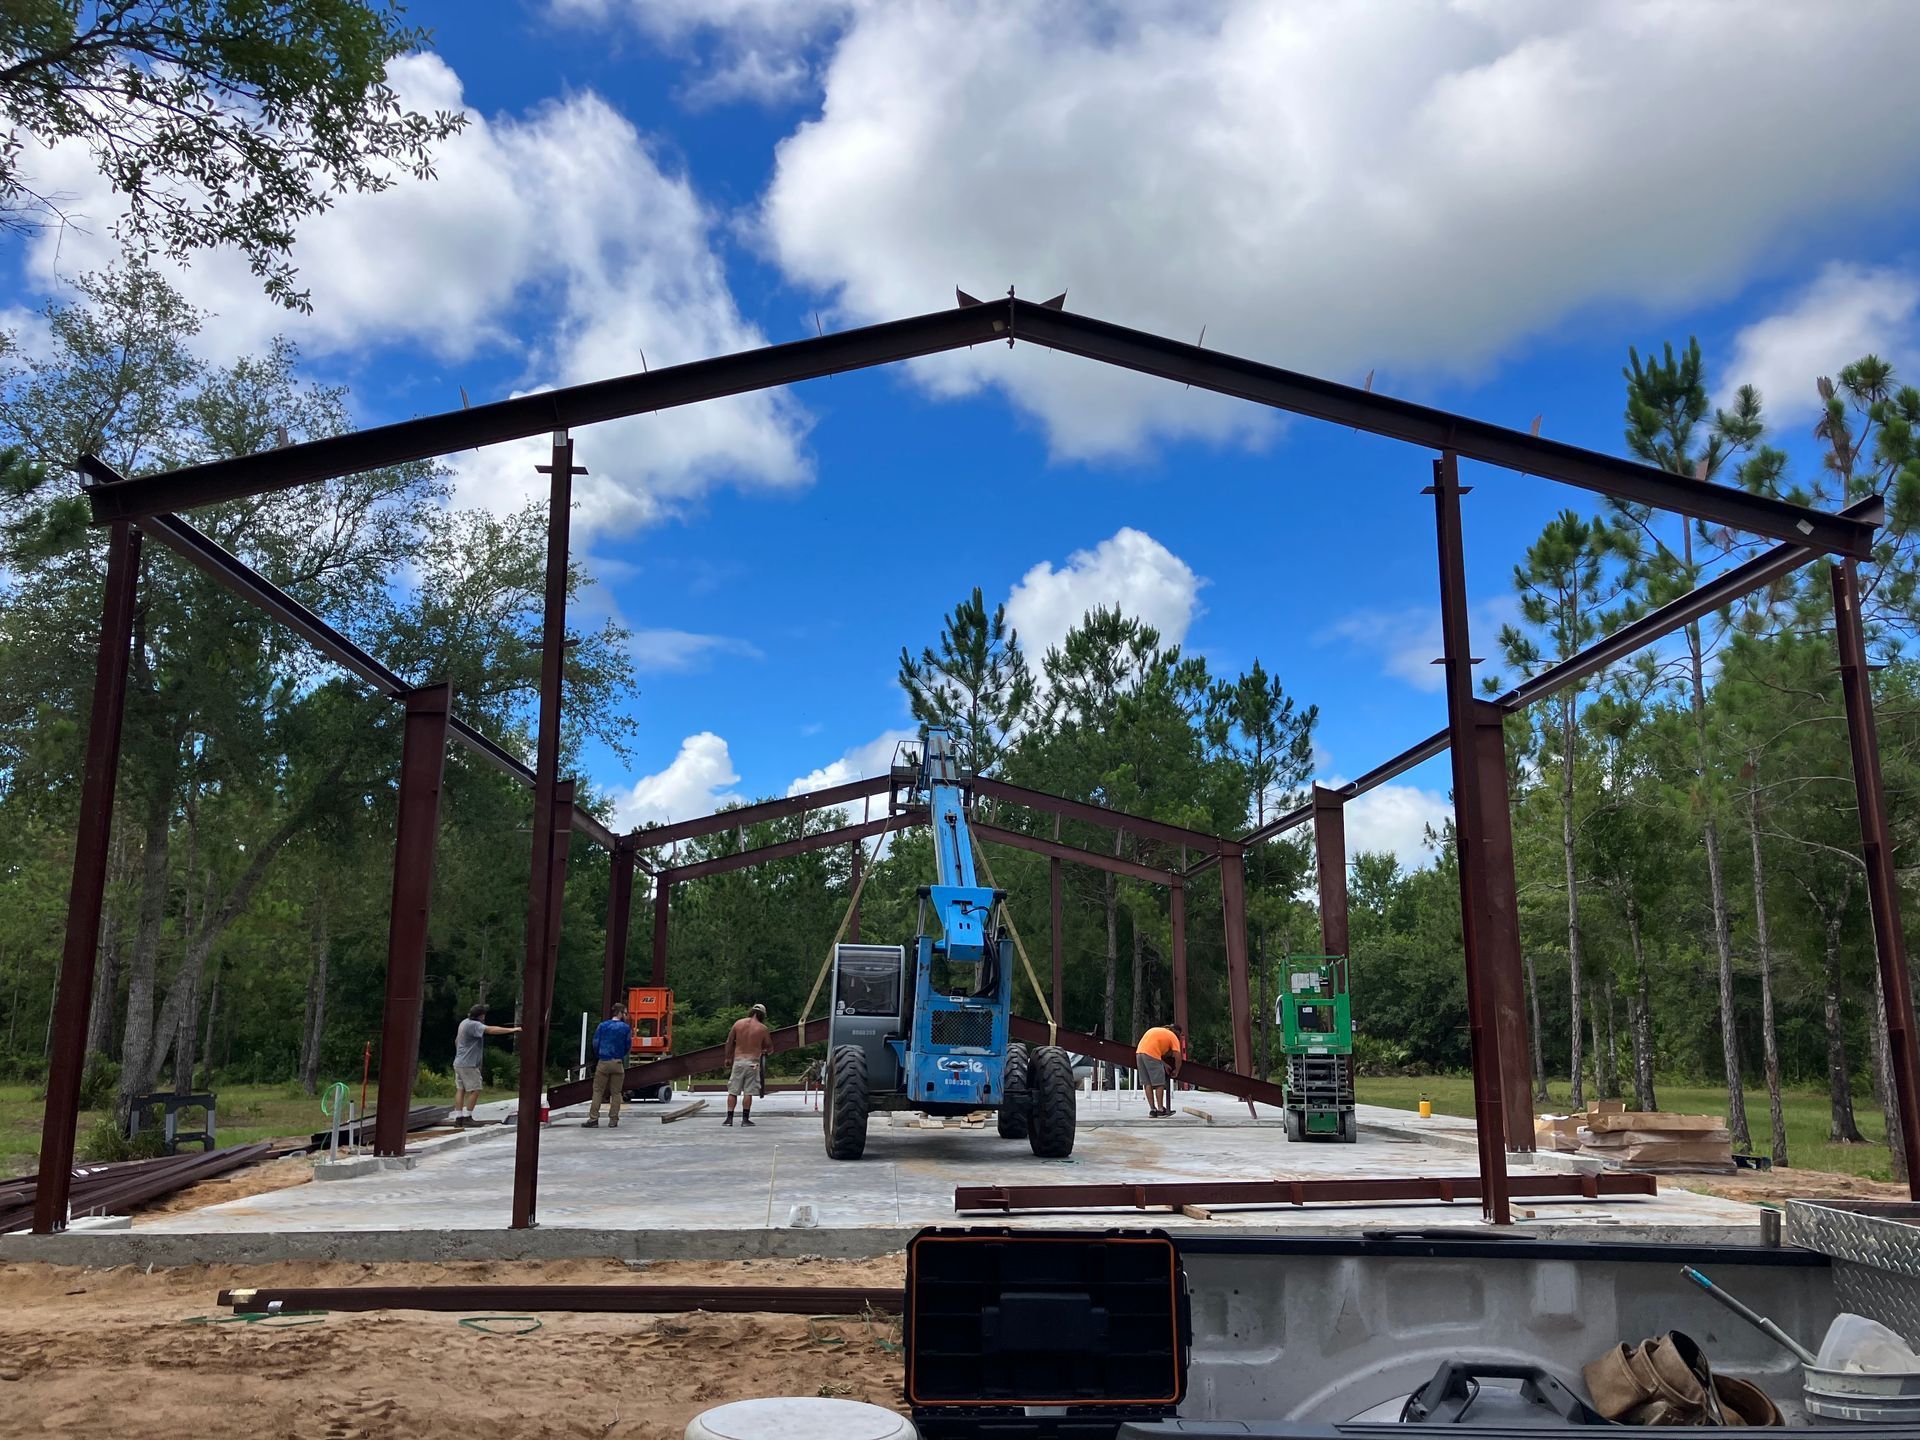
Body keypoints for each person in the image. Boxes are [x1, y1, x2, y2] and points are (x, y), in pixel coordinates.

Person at [453, 1004, 521, 1126]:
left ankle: (458, 1118)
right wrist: (513, 1030)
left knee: (461, 1089)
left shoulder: (464, 1023)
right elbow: (491, 1030)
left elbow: (457, 1041)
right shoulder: (474, 1025)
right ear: (481, 1015)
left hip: (459, 1062)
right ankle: (468, 1117)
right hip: (469, 1064)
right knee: (476, 1089)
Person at [583, 1002, 634, 1129]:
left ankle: (593, 1119)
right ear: (621, 1013)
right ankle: (613, 1120)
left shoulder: (603, 1026)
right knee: (616, 1093)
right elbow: (628, 1045)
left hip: (603, 1062)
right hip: (617, 1062)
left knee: (598, 1091)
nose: (625, 1016)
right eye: (625, 1013)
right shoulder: (625, 1028)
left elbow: (595, 1043)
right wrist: (621, 1054)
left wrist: (600, 1054)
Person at [723, 1002, 772, 1127]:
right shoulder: (762, 1029)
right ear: (762, 1015)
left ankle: (729, 1119)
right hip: (752, 1063)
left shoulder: (738, 1024)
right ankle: (745, 1120)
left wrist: (728, 1057)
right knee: (748, 1092)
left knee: (733, 1091)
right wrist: (764, 1050)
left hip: (738, 1061)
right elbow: (769, 1047)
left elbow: (729, 1042)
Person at [1135, 1023, 1184, 1118]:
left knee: (1147, 1083)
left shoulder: (1157, 1030)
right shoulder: (1173, 1036)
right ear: (1177, 1033)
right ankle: (1161, 1109)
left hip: (1139, 1053)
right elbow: (1178, 1056)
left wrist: (1163, 1064)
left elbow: (1152, 1048)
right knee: (1159, 1083)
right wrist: (1177, 1070)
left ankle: (1152, 1110)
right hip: (1151, 1054)